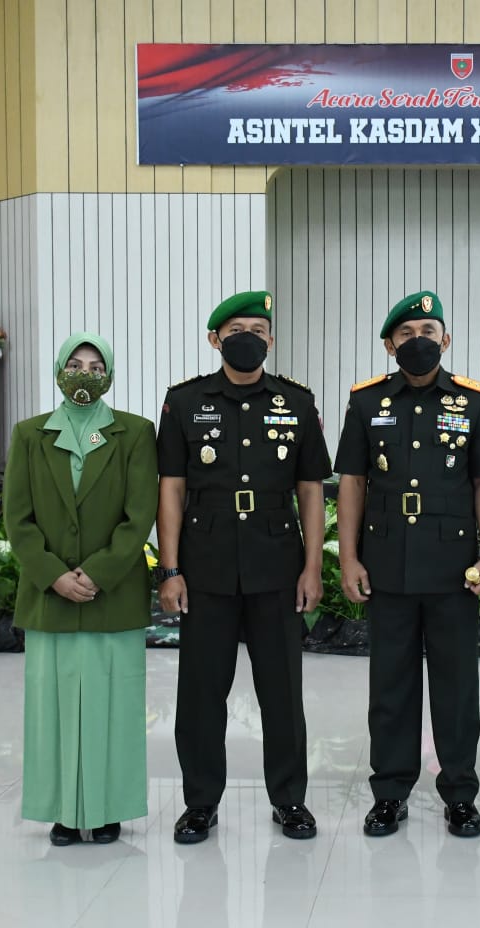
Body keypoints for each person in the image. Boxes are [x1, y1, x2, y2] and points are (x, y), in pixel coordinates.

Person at [155, 291, 331, 844]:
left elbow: (310, 491)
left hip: (276, 564)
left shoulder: (296, 401)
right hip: (205, 566)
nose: (247, 338)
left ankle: (289, 799)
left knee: (282, 693)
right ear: (215, 340)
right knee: (201, 693)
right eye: (235, 330)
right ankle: (200, 803)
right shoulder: (184, 402)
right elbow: (171, 490)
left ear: (271, 339)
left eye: (258, 329)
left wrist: (312, 567)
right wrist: (169, 569)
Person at [333, 290, 480, 838]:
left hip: (455, 568)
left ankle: (460, 794)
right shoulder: (366, 402)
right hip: (387, 563)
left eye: (428, 332)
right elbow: (352, 483)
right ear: (389, 345)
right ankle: (390, 793)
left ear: (445, 340)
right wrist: (349, 557)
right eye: (406, 334)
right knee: (391, 686)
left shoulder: (475, 401)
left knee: (456, 687)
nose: (418, 341)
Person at [3, 332, 159, 846]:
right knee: (52, 706)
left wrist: (98, 572)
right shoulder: (30, 434)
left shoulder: (135, 433)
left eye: (96, 365)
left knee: (114, 704)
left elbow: (140, 514)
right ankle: (62, 812)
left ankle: (109, 807)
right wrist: (53, 574)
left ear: (109, 374)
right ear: (58, 370)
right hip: (49, 596)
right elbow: (18, 518)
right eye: (75, 364)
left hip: (112, 595)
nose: (85, 374)